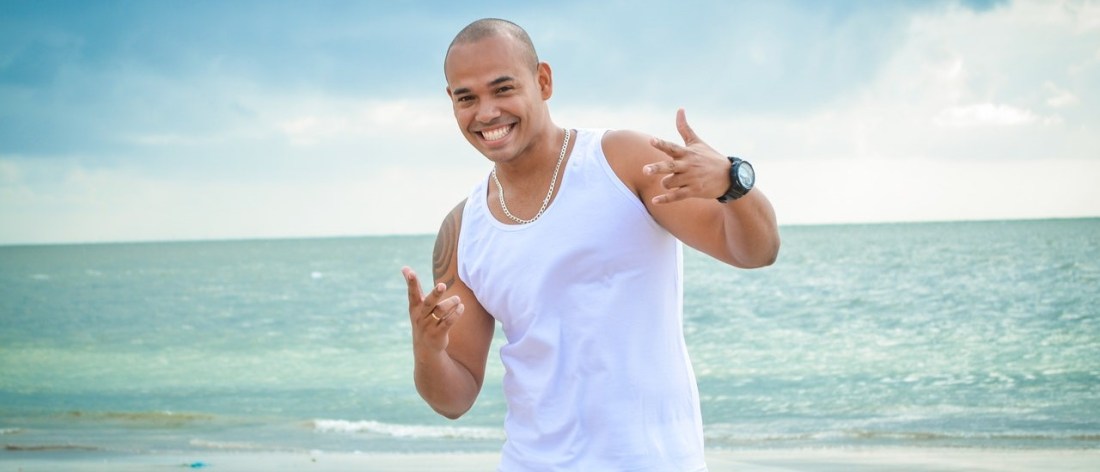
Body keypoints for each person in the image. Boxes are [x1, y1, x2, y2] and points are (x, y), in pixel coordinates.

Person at [401, 18, 779, 471]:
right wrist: (428, 350)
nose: (485, 113)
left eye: (503, 89)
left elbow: (756, 252)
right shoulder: (462, 230)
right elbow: (454, 398)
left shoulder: (622, 162)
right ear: (452, 102)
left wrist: (731, 183)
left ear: (543, 81)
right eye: (467, 98)